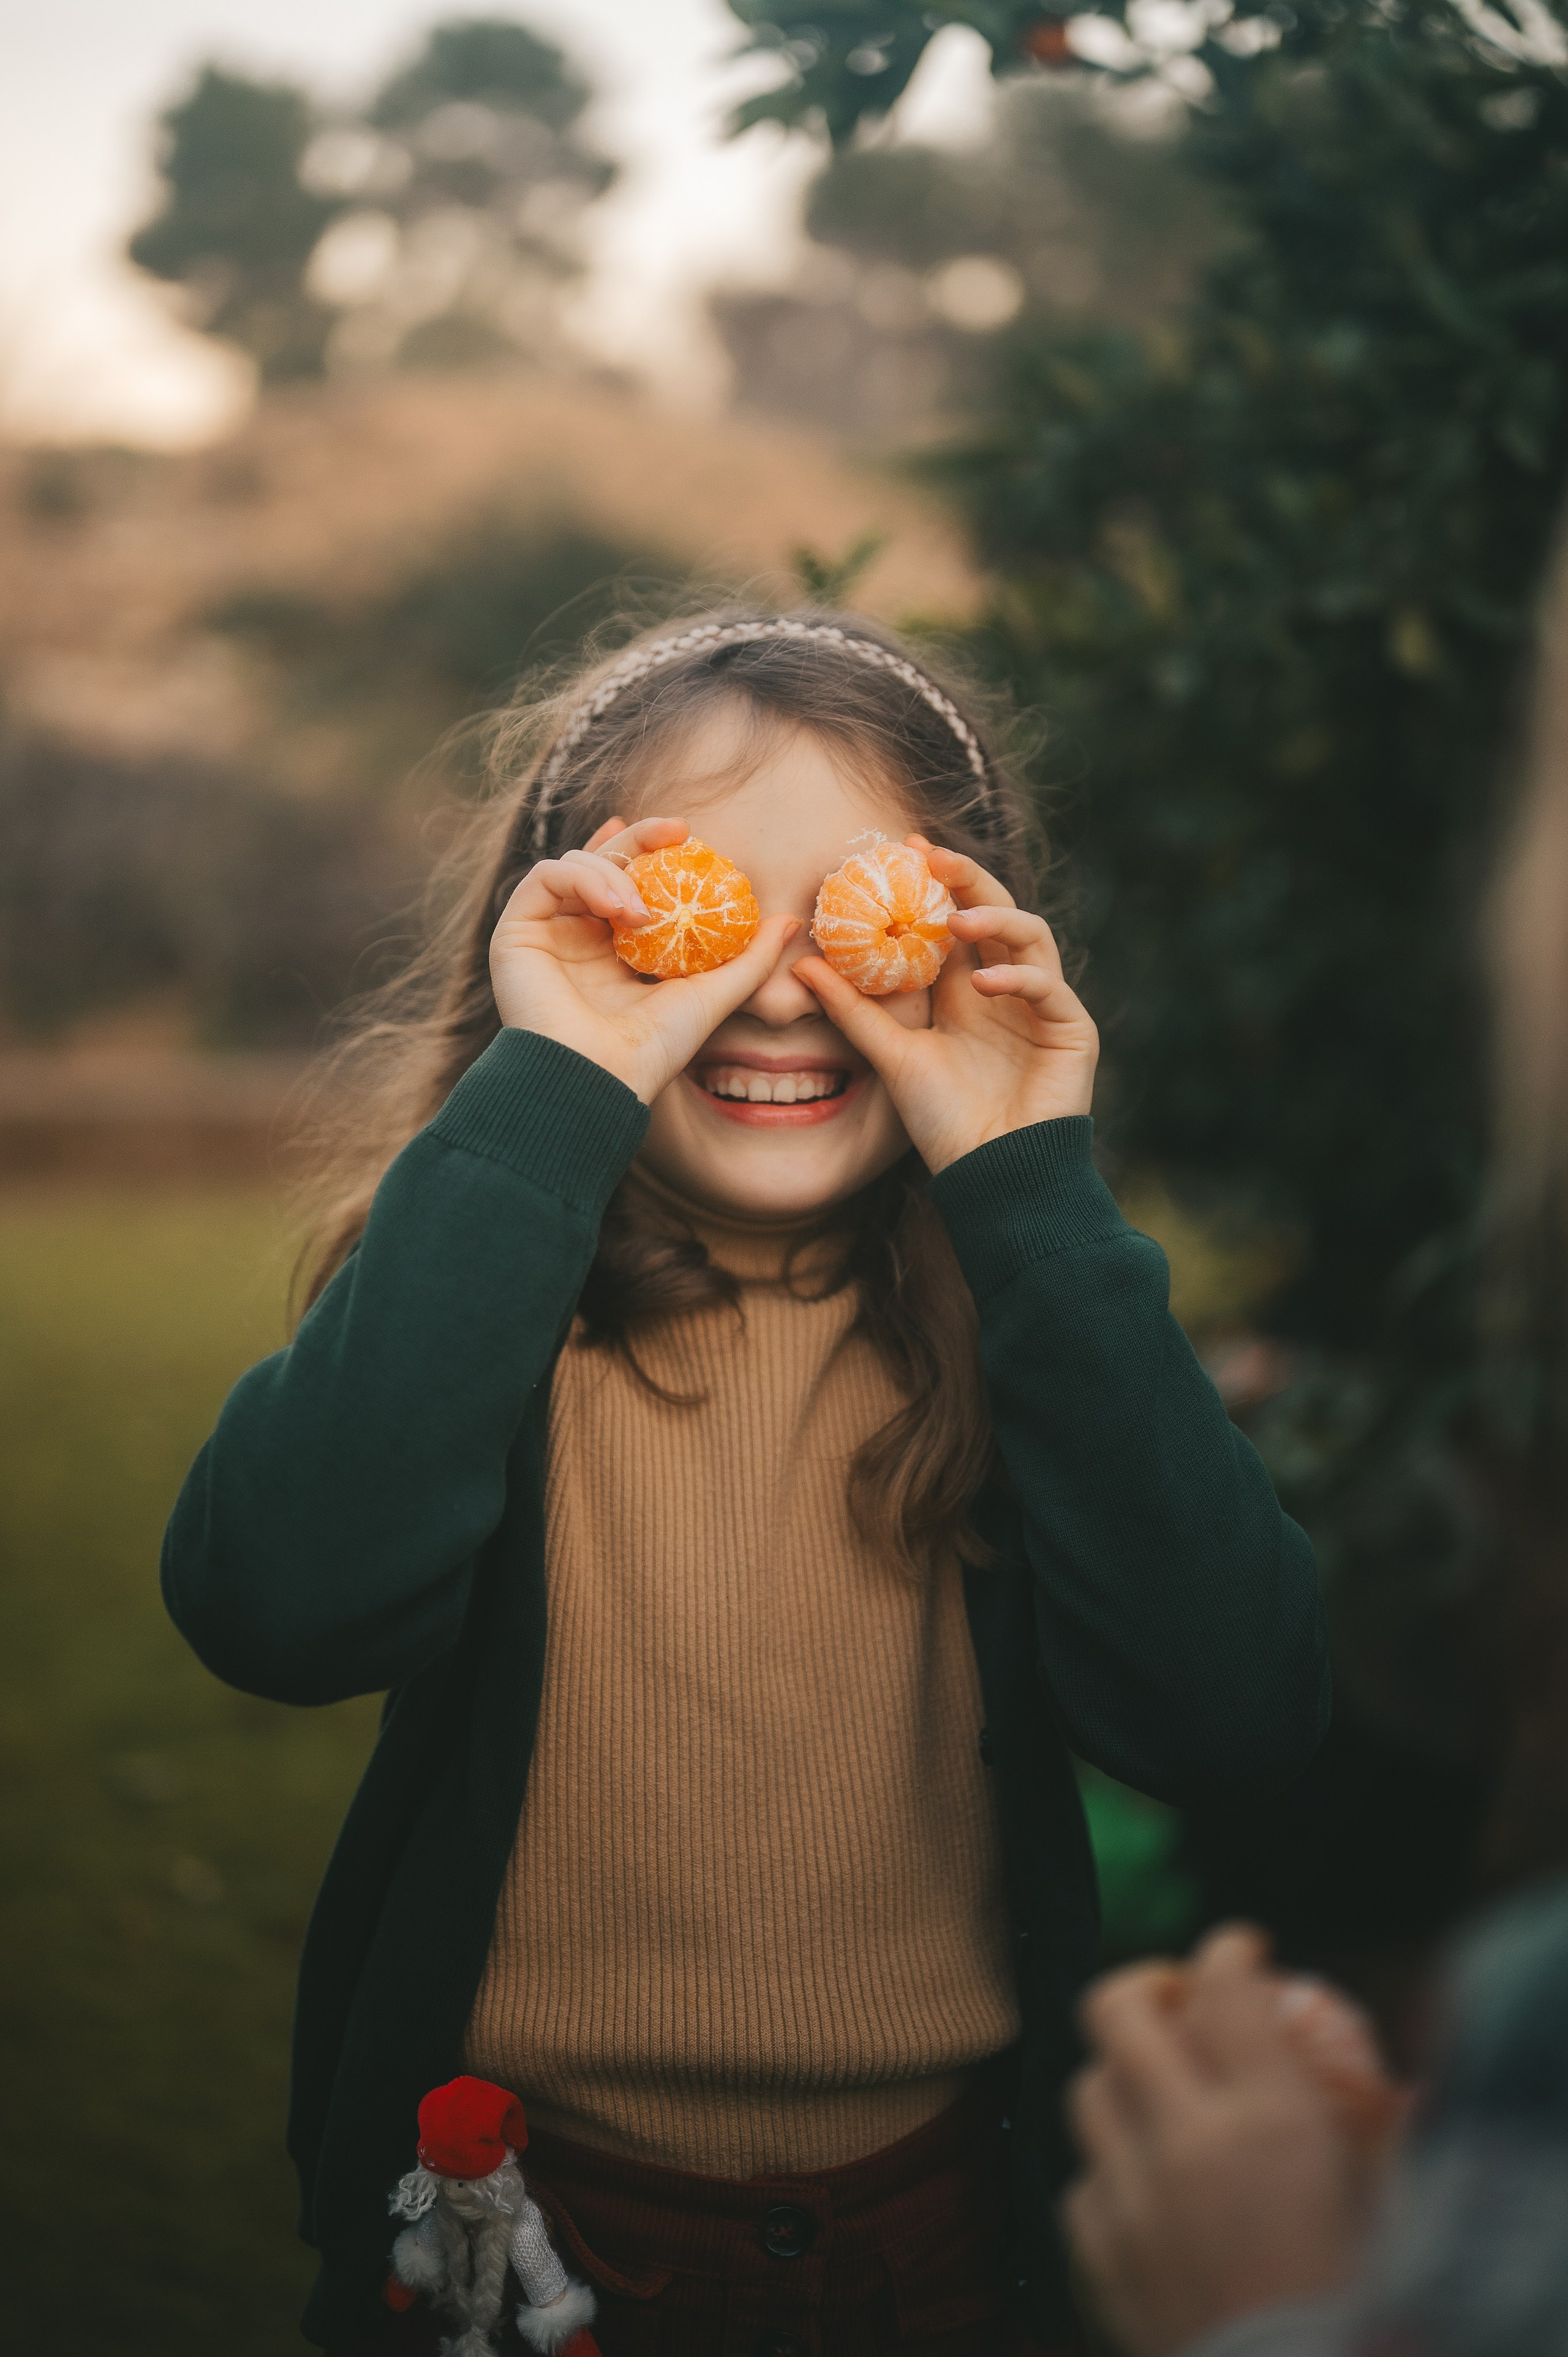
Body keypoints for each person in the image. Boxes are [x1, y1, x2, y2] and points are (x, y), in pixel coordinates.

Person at [160, 607, 1329, 2355]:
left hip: (942, 2251)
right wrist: (553, 1085)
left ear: (976, 940)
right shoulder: (481, 1307)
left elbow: (1235, 1709)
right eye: (703, 910)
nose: (781, 983)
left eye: (866, 920)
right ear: (559, 936)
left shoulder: (1032, 1337)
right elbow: (275, 1602)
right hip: (512, 2253)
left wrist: (1027, 1188)